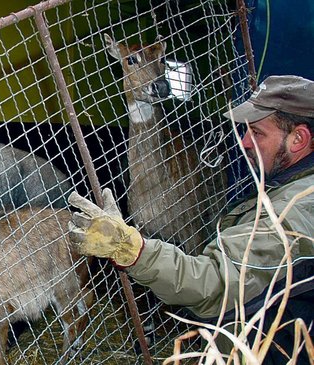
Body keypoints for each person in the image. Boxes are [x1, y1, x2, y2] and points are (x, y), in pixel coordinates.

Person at [67, 75, 314, 364]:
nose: (244, 141)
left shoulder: (294, 209)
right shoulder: (291, 186)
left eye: (257, 133)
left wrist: (132, 250)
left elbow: (214, 283)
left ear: (298, 139)